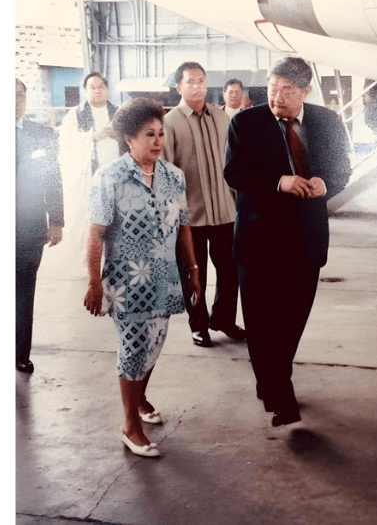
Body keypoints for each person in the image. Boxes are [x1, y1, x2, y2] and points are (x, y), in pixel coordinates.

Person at [224, 57, 351, 427]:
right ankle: (281, 395)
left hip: (306, 240)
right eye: (272, 88)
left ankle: (272, 380)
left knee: (292, 320)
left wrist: (326, 183)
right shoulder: (246, 123)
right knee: (261, 323)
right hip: (259, 241)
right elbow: (235, 173)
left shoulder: (327, 121)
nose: (277, 97)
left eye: (287, 90)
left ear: (305, 92)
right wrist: (279, 182)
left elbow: (342, 168)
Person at [83, 98, 201, 458]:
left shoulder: (173, 177)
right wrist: (93, 282)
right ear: (128, 139)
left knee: (155, 344)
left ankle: (139, 397)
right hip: (126, 282)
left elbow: (184, 227)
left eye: (160, 133)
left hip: (165, 277)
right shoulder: (109, 178)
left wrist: (193, 270)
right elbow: (95, 234)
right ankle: (130, 426)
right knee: (134, 348)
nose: (158, 140)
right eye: (149, 134)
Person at [164, 62, 246, 347]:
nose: (197, 86)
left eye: (201, 80)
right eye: (191, 81)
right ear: (179, 87)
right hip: (190, 217)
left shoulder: (221, 117)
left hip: (224, 211)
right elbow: (166, 171)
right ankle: (198, 325)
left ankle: (223, 319)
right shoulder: (170, 122)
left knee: (230, 271)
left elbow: (233, 161)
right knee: (193, 274)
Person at [16, 79, 64, 374]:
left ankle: (20, 352)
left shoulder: (42, 135)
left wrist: (56, 220)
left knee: (24, 292)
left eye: (19, 95)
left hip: (30, 227)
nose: (14, 101)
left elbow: (52, 180)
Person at [52, 72, 119, 267]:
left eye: (101, 87)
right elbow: (67, 142)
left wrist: (117, 134)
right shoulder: (75, 115)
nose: (97, 91)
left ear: (106, 89)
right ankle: (88, 263)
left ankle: (113, 261)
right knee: (89, 219)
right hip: (86, 178)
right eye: (92, 87)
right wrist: (93, 136)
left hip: (114, 177)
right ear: (85, 91)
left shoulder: (118, 112)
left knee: (114, 219)